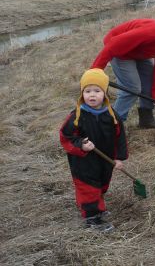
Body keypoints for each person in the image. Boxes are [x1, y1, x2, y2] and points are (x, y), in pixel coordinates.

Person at [91, 19, 155, 128]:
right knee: (132, 88)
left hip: (139, 51)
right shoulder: (152, 33)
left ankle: (146, 120)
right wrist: (95, 72)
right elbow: (113, 45)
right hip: (120, 50)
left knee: (149, 83)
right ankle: (112, 124)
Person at [60, 68, 128, 232]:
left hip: (105, 159)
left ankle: (95, 206)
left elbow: (120, 138)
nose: (92, 95)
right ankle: (92, 218)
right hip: (84, 162)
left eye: (97, 91)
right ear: (82, 93)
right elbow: (66, 137)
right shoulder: (76, 116)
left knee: (102, 184)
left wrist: (119, 158)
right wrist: (81, 145)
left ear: (105, 93)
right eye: (87, 91)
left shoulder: (112, 115)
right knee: (88, 187)